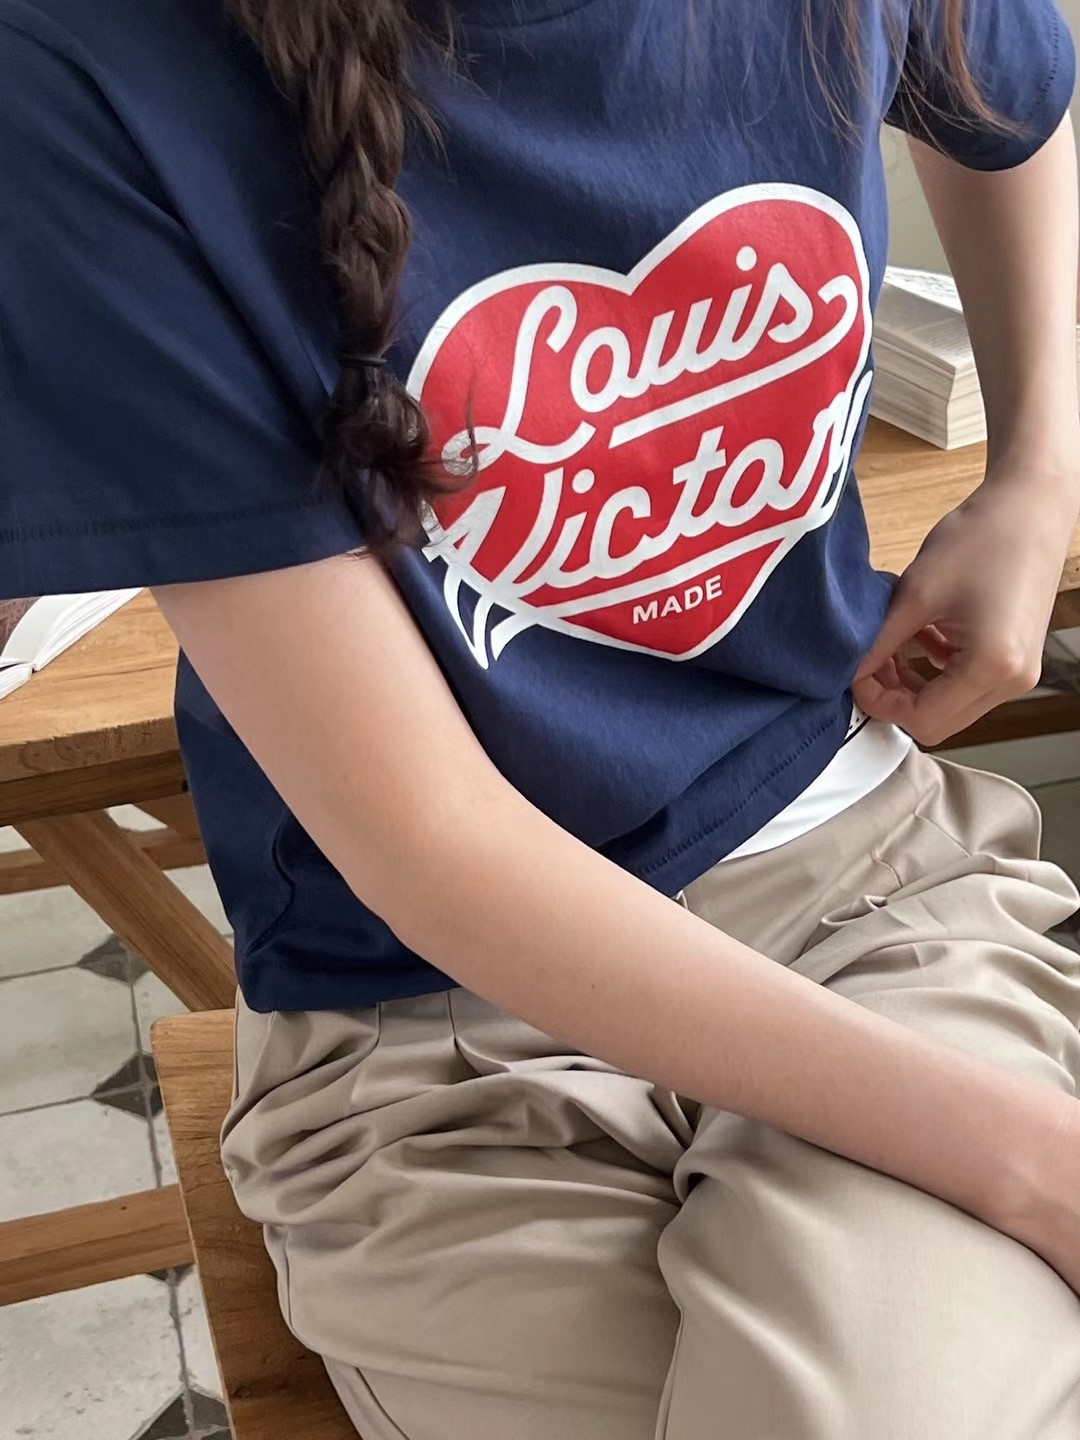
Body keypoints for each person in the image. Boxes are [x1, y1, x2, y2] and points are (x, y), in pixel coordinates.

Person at [2, 0, 1080, 1434]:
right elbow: (433, 846)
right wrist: (1035, 1162)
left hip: (860, 889)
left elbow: (1005, 93)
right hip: (424, 1031)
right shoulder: (90, 71)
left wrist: (1038, 475)